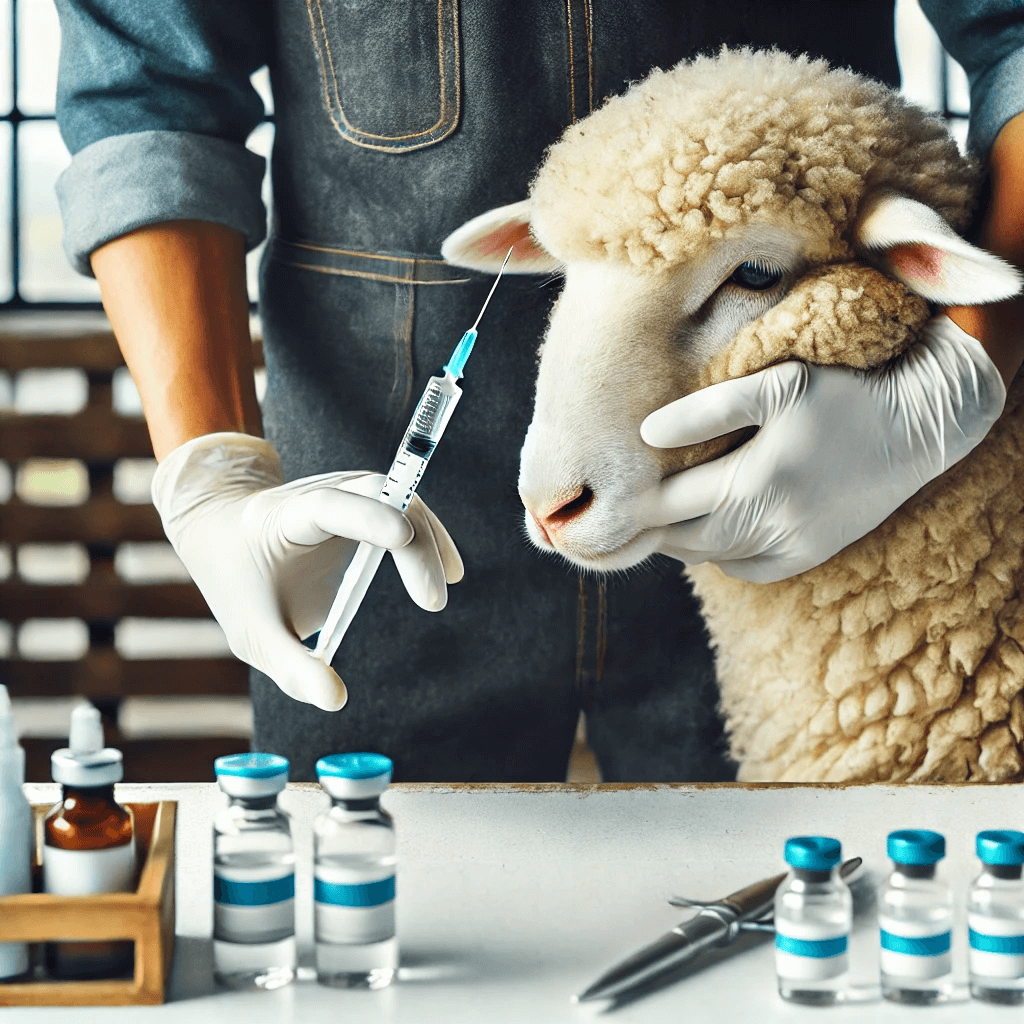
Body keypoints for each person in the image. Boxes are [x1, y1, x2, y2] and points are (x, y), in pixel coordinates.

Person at [53, 1, 1024, 782]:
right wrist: (209, 471)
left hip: (814, 487)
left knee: (805, 924)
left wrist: (968, 361)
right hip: (378, 511)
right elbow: (148, 83)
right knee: (379, 927)